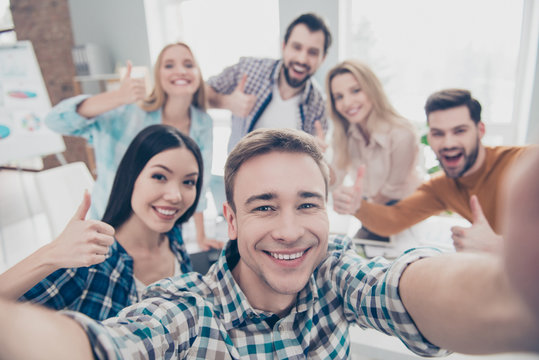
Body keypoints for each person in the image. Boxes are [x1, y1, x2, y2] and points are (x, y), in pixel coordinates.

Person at [1, 128, 538, 359]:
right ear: (231, 220)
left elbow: (402, 285)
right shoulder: (187, 307)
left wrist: (514, 292)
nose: (289, 229)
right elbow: (109, 345)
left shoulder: (335, 274)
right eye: (263, 206)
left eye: (307, 203)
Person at [0, 124, 203, 320]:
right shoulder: (91, 259)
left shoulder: (173, 236)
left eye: (188, 182)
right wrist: (52, 254)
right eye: (159, 176)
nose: (176, 196)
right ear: (131, 176)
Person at [45, 42, 222, 251]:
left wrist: (201, 237)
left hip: (163, 228)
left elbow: (198, 182)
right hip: (112, 228)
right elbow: (56, 121)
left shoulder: (202, 123)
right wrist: (117, 97)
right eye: (169, 65)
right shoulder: (130, 114)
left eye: (188, 64)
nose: (181, 71)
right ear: (158, 75)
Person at [333, 88, 532, 253]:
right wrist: (357, 206)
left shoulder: (525, 163)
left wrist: (499, 247)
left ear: (480, 130)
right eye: (438, 133)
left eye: (459, 131)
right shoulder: (442, 187)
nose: (448, 143)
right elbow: (393, 219)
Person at [206, 12, 331, 152]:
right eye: (296, 47)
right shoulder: (249, 69)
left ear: (323, 58)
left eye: (312, 52)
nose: (302, 59)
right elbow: (198, 92)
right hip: (239, 171)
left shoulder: (319, 105)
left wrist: (315, 155)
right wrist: (226, 102)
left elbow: (317, 154)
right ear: (284, 46)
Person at [326, 60, 422, 242]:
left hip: (403, 216)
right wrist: (315, 158)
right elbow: (333, 181)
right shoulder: (345, 134)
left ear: (372, 89)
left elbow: (390, 192)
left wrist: (356, 205)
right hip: (370, 213)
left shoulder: (402, 134)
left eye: (355, 90)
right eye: (339, 97)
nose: (347, 102)